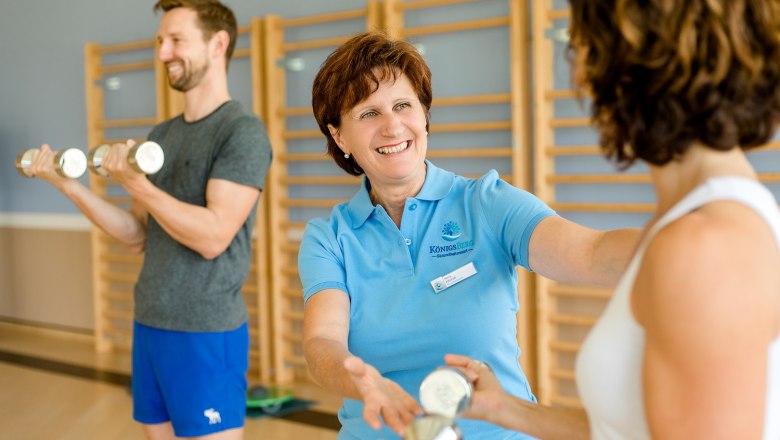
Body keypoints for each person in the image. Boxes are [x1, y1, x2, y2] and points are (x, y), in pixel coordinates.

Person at [446, 0, 780, 439]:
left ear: (640, 63)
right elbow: (629, 427)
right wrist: (507, 410)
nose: (579, 76)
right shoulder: (695, 218)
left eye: (584, 48)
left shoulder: (704, 246)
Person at [298, 31, 638, 440]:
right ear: (339, 136)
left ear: (423, 116)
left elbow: (591, 252)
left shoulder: (487, 202)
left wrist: (687, 243)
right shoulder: (330, 238)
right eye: (368, 113)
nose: (392, 126)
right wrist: (362, 381)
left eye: (403, 105)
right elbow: (321, 341)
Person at [26, 1, 272, 439]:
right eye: (161, 41)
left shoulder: (241, 131)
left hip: (204, 330)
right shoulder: (162, 134)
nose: (162, 53)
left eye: (176, 40)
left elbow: (214, 236)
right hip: (151, 321)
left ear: (219, 44)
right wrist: (68, 186)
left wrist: (135, 184)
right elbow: (138, 235)